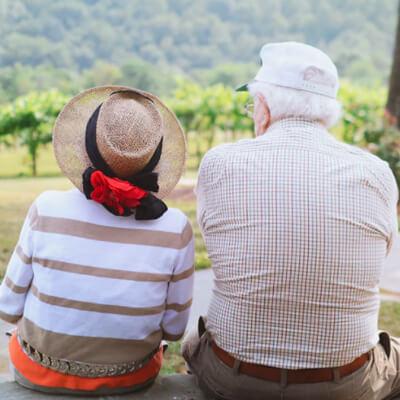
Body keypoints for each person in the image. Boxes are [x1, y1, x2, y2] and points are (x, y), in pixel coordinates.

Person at [182, 42, 399, 400]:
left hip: (234, 377)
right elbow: (380, 255)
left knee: (195, 341)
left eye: (253, 103)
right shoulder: (376, 173)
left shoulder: (219, 164)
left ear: (264, 107)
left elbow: (218, 242)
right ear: (329, 111)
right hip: (345, 382)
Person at [0, 86, 194, 396]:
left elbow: (7, 307)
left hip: (38, 371)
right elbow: (174, 330)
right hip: (132, 376)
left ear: (87, 147)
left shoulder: (46, 207)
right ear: (154, 156)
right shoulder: (175, 228)